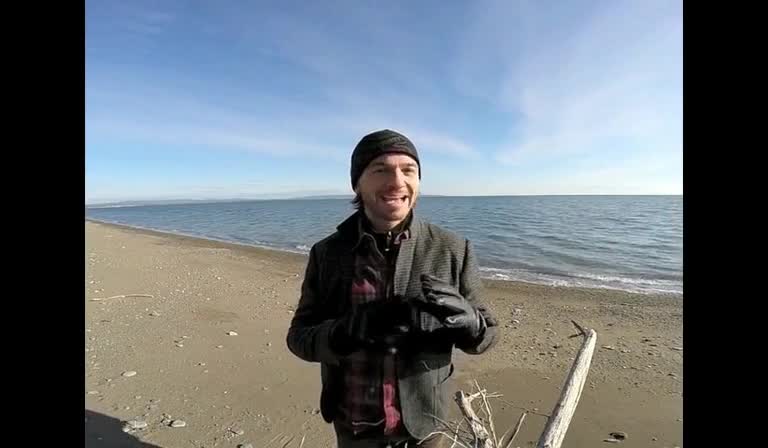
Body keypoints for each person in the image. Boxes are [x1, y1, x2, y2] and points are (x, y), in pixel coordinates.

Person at [286, 129, 499, 447]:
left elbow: (487, 337)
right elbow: (299, 337)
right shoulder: (328, 253)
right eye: (380, 169)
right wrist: (339, 334)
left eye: (408, 170)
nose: (398, 182)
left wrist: (472, 325)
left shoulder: (452, 249)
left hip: (426, 426)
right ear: (357, 182)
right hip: (353, 424)